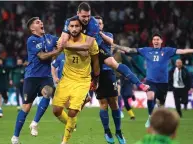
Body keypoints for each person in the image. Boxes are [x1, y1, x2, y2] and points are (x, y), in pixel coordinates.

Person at [113, 33, 193, 127]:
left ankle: (160, 119)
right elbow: (129, 49)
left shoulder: (167, 51)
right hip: (150, 81)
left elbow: (182, 51)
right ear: (152, 42)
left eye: (158, 39)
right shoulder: (146, 50)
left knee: (161, 104)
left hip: (163, 82)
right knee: (150, 96)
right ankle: (150, 117)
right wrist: (114, 45)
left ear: (161, 41)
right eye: (154, 40)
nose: (156, 41)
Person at [58, 2, 149, 92]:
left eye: (88, 16)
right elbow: (63, 40)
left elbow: (87, 46)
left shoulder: (93, 23)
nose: (86, 19)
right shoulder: (70, 22)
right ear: (78, 14)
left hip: (96, 45)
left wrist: (67, 45)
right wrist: (65, 44)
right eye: (83, 16)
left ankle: (139, 84)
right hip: (80, 48)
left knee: (112, 63)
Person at [11, 17, 61, 144]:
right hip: (32, 77)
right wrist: (57, 51)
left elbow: (63, 41)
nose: (42, 23)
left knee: (48, 92)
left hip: (45, 76)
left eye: (41, 21)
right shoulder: (31, 40)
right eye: (38, 22)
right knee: (26, 107)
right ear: (32, 28)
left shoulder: (49, 38)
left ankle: (34, 123)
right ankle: (15, 137)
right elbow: (42, 56)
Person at [52, 17, 100, 144]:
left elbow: (95, 61)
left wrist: (95, 79)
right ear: (68, 28)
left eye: (76, 26)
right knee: (56, 111)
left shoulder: (90, 43)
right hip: (66, 79)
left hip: (82, 80)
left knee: (72, 112)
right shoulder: (64, 40)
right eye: (71, 26)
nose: (74, 29)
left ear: (81, 28)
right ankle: (71, 125)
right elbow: (56, 49)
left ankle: (64, 141)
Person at [94, 16, 125, 144]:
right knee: (103, 104)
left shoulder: (106, 34)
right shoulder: (89, 37)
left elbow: (111, 42)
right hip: (97, 73)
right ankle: (107, 131)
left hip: (109, 72)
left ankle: (118, 131)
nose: (99, 25)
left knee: (114, 102)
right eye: (96, 24)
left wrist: (99, 32)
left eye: (100, 23)